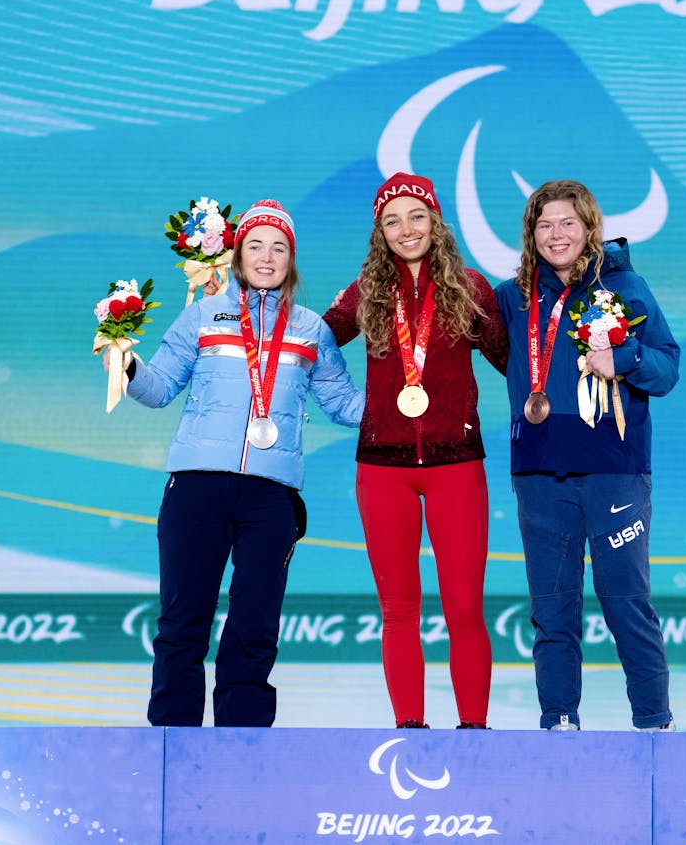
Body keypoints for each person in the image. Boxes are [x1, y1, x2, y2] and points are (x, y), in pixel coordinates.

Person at [112, 199, 364, 727]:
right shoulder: (202, 315)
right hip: (197, 486)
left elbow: (344, 403)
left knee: (255, 622)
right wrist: (125, 362)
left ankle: (242, 737)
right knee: (184, 619)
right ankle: (173, 739)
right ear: (238, 254)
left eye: (279, 248)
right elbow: (159, 390)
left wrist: (410, 398)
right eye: (256, 246)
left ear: (290, 259)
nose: (267, 258)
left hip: (271, 495)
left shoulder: (310, 329)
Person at [493, 179, 680, 732]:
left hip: (614, 470)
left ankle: (654, 724)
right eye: (545, 225)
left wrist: (623, 358)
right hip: (539, 472)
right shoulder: (514, 295)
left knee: (626, 601)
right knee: (552, 611)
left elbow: (667, 369)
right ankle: (559, 723)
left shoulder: (625, 286)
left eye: (567, 223)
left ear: (588, 228)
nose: (557, 235)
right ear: (531, 234)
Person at [324, 172, 509, 729]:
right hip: (383, 469)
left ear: (436, 222)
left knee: (464, 610)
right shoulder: (365, 291)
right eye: (392, 220)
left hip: (457, 465)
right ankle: (409, 730)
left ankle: (474, 730)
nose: (406, 229)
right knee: (399, 610)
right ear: (380, 231)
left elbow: (513, 362)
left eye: (416, 216)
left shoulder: (471, 288)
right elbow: (313, 338)